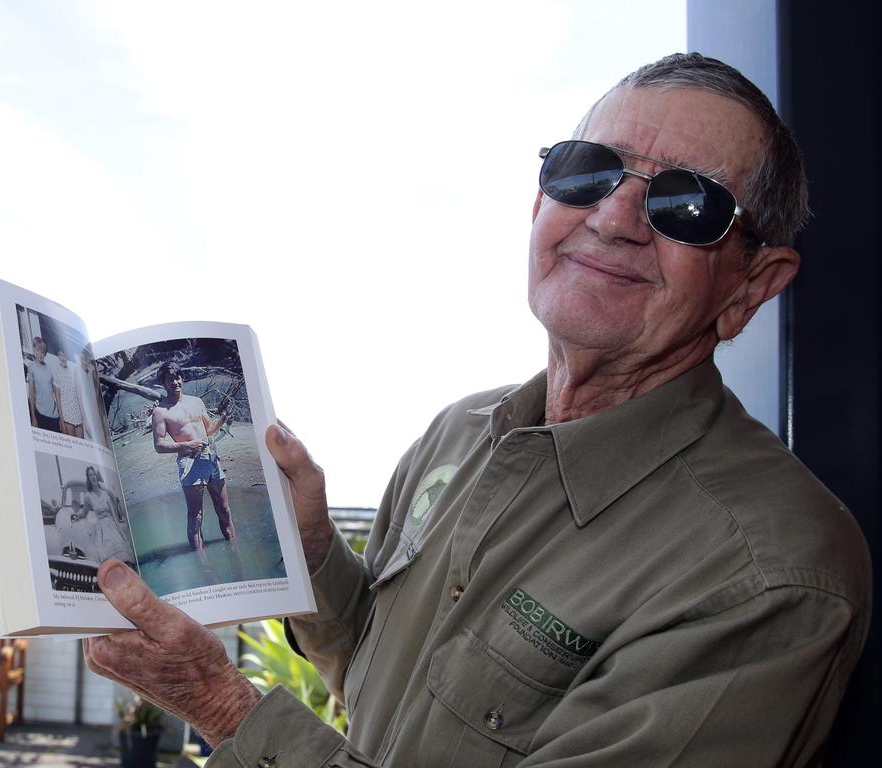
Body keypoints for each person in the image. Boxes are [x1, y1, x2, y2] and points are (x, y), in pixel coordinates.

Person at [82, 53, 872, 766]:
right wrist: (315, 553)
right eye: (587, 171)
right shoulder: (457, 433)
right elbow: (374, 676)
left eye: (688, 204)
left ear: (751, 286)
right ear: (540, 205)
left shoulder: (770, 573)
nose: (613, 219)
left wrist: (226, 709)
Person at [150, 361, 236, 551]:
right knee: (196, 516)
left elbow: (208, 430)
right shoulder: (160, 411)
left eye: (177, 377)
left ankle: (234, 551)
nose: (175, 382)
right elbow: (159, 446)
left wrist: (222, 420)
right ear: (163, 383)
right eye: (169, 379)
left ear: (182, 378)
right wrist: (187, 445)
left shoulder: (196, 401)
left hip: (211, 458)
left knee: (224, 510)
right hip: (190, 463)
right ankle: (200, 562)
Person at [25, 336, 61, 432]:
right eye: (38, 350)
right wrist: (33, 417)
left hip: (54, 415)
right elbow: (31, 393)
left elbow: (56, 392)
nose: (41, 354)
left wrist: (60, 415)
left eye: (43, 352)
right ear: (34, 350)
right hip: (40, 414)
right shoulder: (31, 366)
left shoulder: (50, 369)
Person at [54, 348, 85, 438]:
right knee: (73, 445)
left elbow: (79, 393)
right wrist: (61, 420)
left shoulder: (73, 369)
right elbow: (57, 396)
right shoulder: (56, 371)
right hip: (66, 415)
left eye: (64, 355)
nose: (63, 358)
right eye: (60, 355)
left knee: (82, 443)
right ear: (58, 356)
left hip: (77, 413)